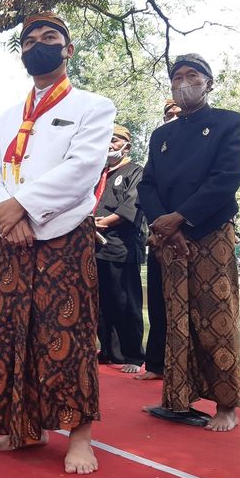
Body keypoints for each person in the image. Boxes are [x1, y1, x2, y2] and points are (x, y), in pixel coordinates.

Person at [0, 13, 115, 474]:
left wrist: (24, 207)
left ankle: (80, 437)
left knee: (67, 333)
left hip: (62, 234)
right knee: (7, 331)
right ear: (21, 54)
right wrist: (9, 215)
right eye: (30, 40)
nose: (39, 45)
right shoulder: (4, 117)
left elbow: (82, 169)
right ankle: (21, 427)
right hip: (11, 236)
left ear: (68, 49)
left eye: (50, 38)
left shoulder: (94, 106)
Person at [138, 54, 240, 432]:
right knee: (175, 319)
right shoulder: (161, 135)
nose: (184, 83)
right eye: (177, 77)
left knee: (215, 317)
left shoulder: (229, 123)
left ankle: (226, 405)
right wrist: (163, 223)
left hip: (209, 232)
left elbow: (226, 178)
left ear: (209, 83)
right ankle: (178, 398)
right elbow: (147, 185)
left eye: (192, 76)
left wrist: (181, 218)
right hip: (170, 239)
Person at [94, 125, 147, 374]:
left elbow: (133, 206)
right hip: (94, 246)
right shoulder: (98, 173)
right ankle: (108, 350)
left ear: (127, 145)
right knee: (100, 302)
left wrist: (104, 222)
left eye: (114, 141)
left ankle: (133, 355)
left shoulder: (135, 172)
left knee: (125, 300)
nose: (109, 145)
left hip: (120, 246)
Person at [137, 100, 180, 382]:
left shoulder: (209, 140)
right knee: (157, 302)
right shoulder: (159, 146)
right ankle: (155, 364)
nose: (172, 118)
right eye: (168, 115)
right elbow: (147, 187)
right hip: (159, 235)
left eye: (177, 114)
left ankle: (186, 370)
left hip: (193, 231)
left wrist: (181, 220)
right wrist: (158, 226)